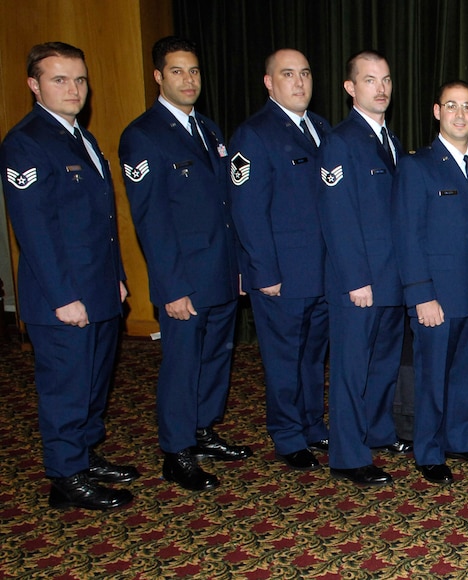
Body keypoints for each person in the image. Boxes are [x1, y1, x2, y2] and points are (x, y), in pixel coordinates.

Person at [1, 42, 137, 510]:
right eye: (60, 79)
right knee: (66, 389)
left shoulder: (82, 136)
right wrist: (64, 297)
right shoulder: (26, 143)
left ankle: (84, 454)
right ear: (34, 85)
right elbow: (34, 231)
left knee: (95, 382)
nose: (74, 89)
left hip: (98, 288)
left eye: (79, 79)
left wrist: (117, 277)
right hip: (63, 297)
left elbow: (101, 222)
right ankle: (65, 477)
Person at [120, 36, 248, 492]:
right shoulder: (143, 135)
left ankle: (202, 430)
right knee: (182, 364)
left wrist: (238, 267)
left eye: (193, 71)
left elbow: (225, 206)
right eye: (177, 71)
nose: (188, 80)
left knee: (217, 357)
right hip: (184, 281)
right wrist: (171, 288)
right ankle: (176, 451)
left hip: (219, 270)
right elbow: (151, 221)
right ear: (158, 76)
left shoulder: (209, 129)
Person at [228, 49, 331, 472]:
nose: (299, 82)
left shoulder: (322, 128)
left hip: (323, 272)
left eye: (305, 73)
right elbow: (247, 211)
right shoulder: (254, 134)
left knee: (311, 355)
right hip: (282, 276)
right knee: (284, 358)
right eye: (288, 74)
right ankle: (287, 434)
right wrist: (263, 272)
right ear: (269, 82)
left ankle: (310, 423)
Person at [397, 80, 468, 485]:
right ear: (437, 112)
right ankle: (429, 450)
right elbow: (407, 235)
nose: (460, 114)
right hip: (437, 294)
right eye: (452, 106)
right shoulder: (417, 165)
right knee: (432, 374)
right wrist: (421, 294)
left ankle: (460, 439)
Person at [318, 50, 410, 487]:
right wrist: (357, 279)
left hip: (390, 278)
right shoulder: (340, 141)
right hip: (360, 282)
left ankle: (376, 432)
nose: (382, 88)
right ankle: (348, 456)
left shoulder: (387, 138)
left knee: (382, 364)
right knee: (352, 369)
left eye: (387, 79)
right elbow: (338, 218)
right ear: (351, 88)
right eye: (370, 80)